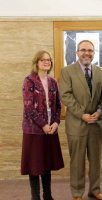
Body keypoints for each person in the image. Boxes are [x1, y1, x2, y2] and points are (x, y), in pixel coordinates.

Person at [59, 40, 102, 200]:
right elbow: (65, 95)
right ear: (77, 52)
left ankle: (95, 190)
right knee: (77, 161)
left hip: (96, 124)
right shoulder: (67, 71)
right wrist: (82, 114)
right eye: (83, 50)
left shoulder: (100, 71)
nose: (87, 53)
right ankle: (77, 192)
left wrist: (100, 111)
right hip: (76, 124)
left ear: (94, 53)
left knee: (95, 161)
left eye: (90, 50)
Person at [21, 50, 64, 200]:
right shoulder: (29, 80)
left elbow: (59, 105)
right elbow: (29, 107)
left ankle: (48, 196)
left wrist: (56, 123)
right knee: (34, 166)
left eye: (49, 60)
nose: (47, 62)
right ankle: (35, 197)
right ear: (36, 63)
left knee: (46, 164)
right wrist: (43, 125)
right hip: (34, 131)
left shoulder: (53, 82)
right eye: (43, 60)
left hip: (51, 130)